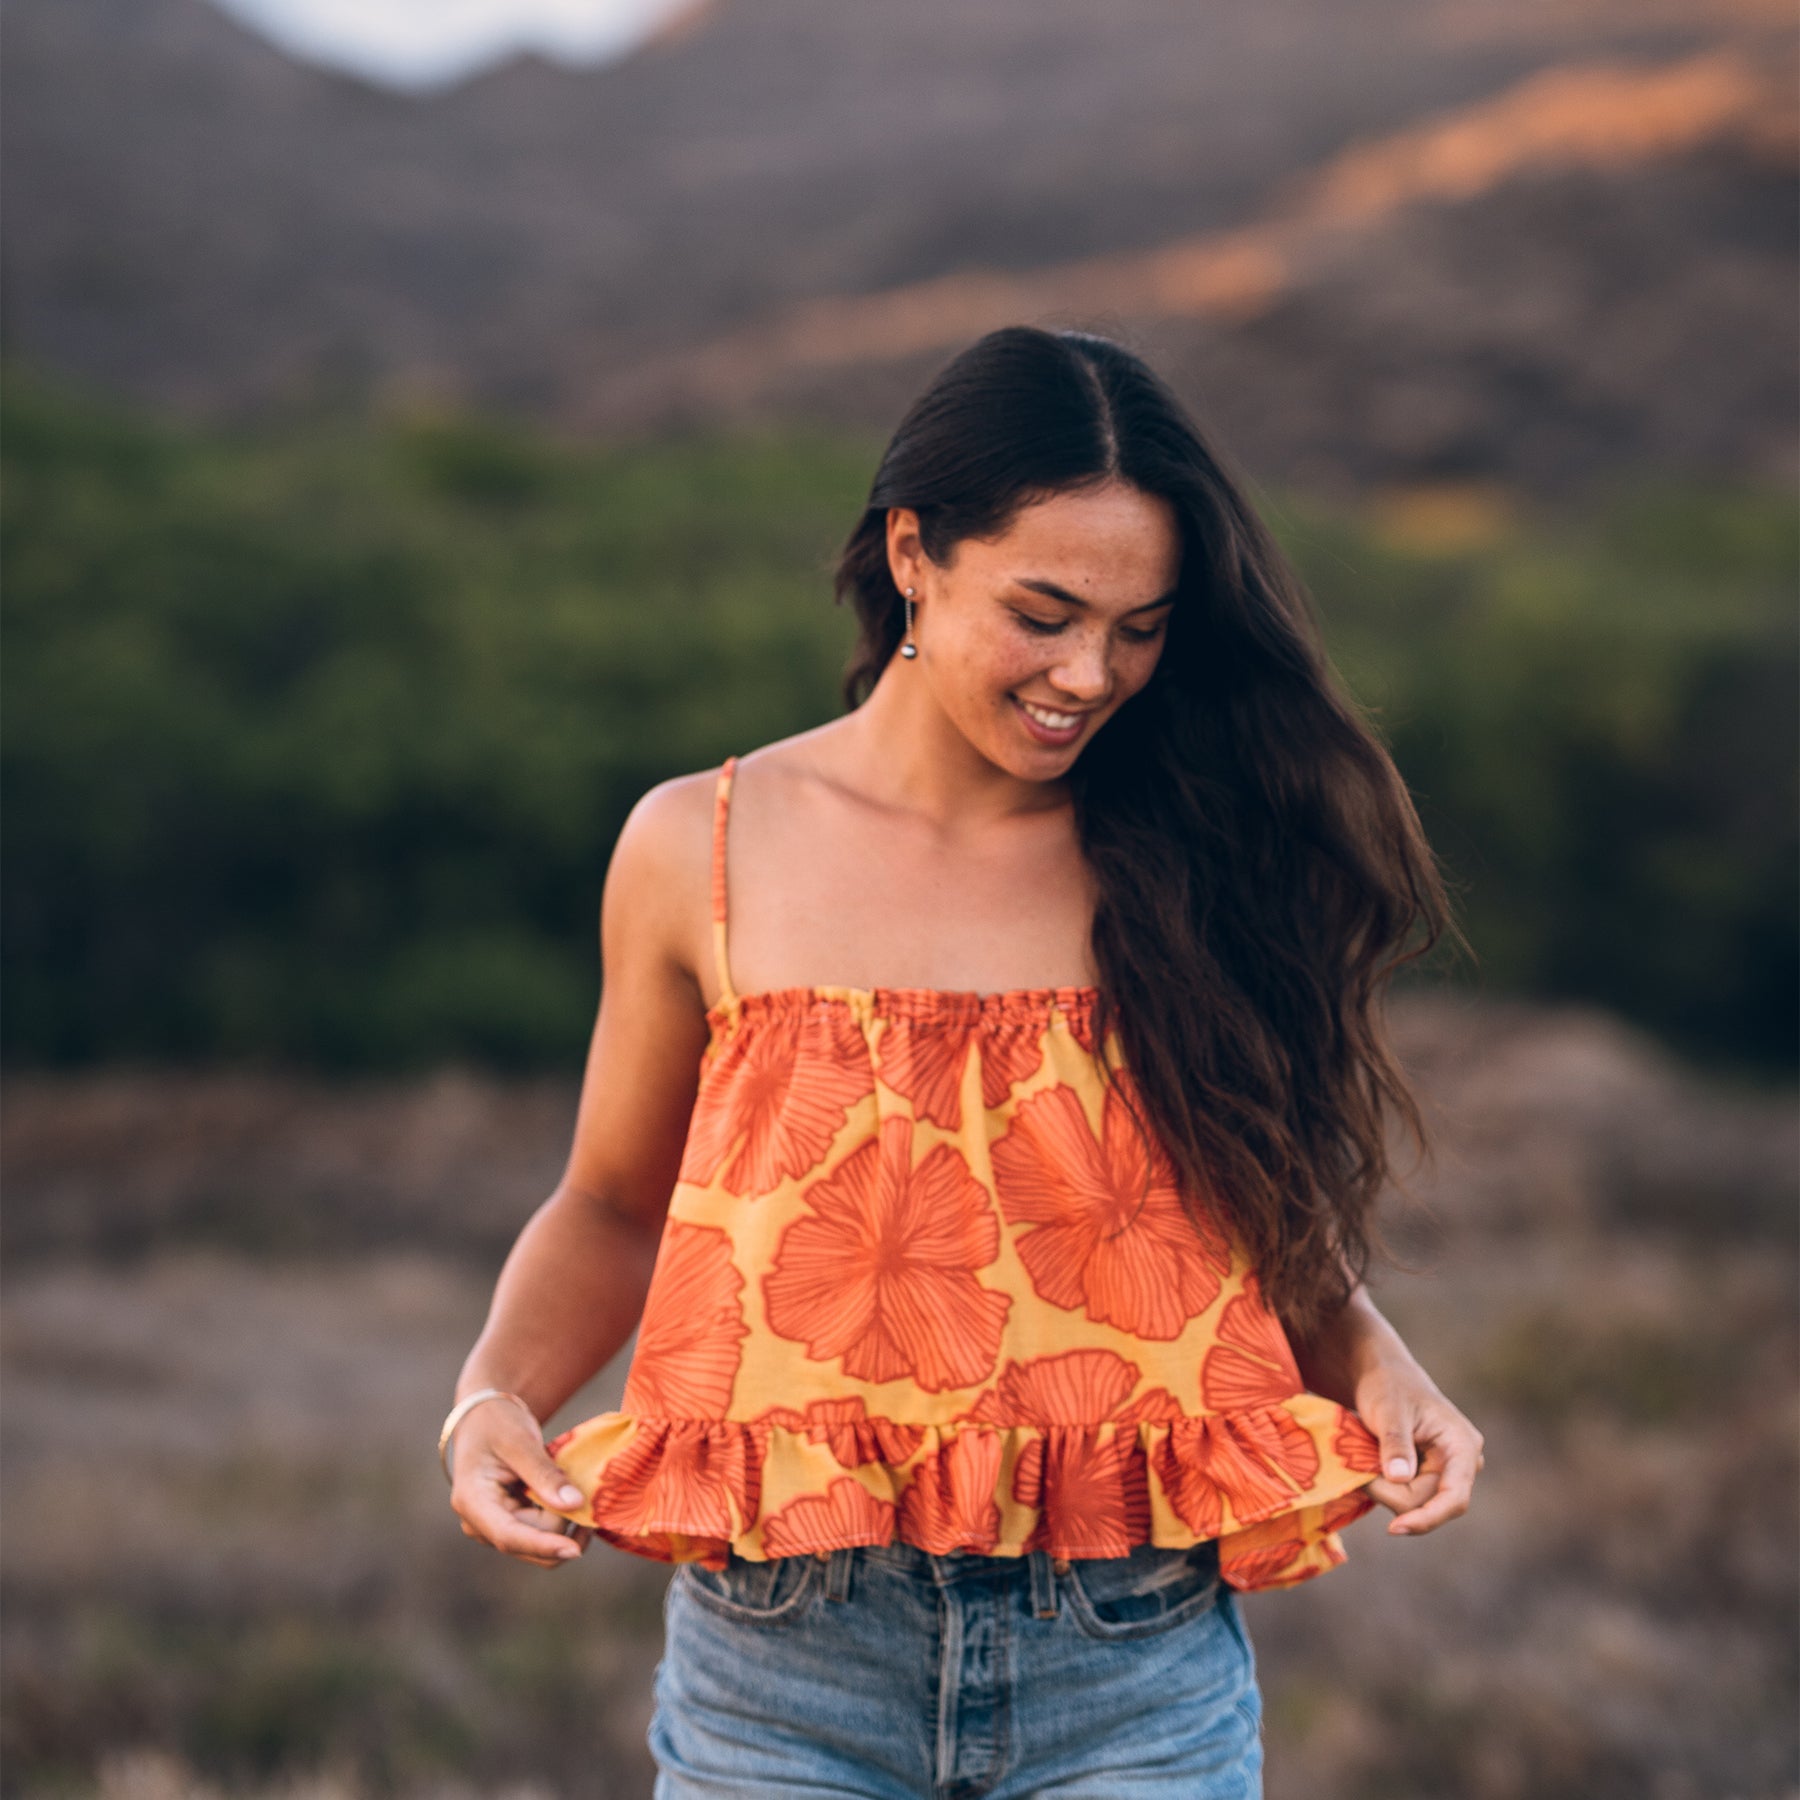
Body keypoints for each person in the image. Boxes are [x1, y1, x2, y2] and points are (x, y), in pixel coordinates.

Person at [441, 324, 1485, 1797]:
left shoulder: (1191, 848)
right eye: (1045, 613)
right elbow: (615, 1204)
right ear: (914, 553)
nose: (1091, 674)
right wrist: (489, 1395)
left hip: (1128, 1661)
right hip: (785, 1668)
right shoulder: (702, 848)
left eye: (1141, 626)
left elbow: (1241, 1201)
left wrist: (1386, 1368)